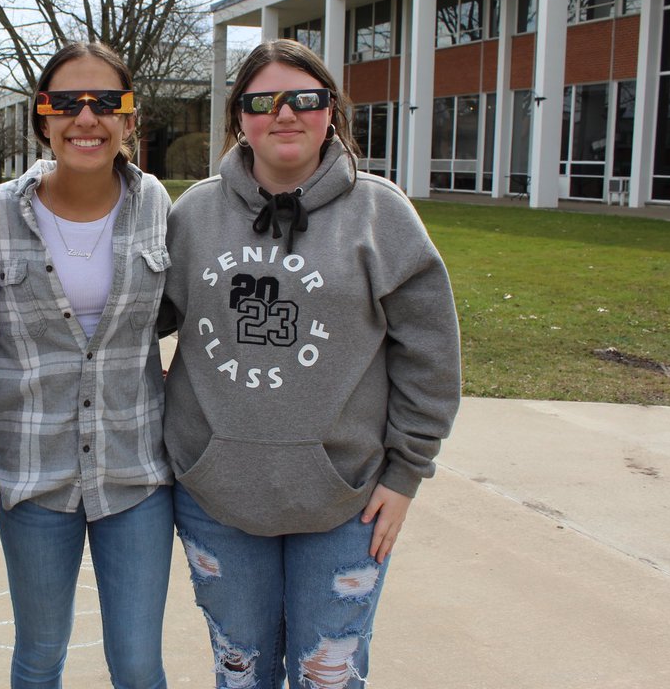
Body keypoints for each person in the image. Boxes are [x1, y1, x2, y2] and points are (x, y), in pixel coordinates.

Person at [161, 39, 462, 688]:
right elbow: (132, 321)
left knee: (329, 676)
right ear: (239, 116)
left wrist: (405, 473)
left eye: (305, 98)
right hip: (217, 495)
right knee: (242, 673)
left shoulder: (381, 216)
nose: (285, 114)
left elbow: (431, 357)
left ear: (331, 110)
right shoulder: (193, 216)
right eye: (263, 101)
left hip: (347, 501)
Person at [0, 42, 173, 689]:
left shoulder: (158, 204)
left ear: (130, 119)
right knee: (39, 655)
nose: (88, 116)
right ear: (42, 119)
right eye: (68, 103)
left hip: (134, 472)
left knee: (138, 665)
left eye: (107, 102)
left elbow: (190, 308)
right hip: (32, 475)